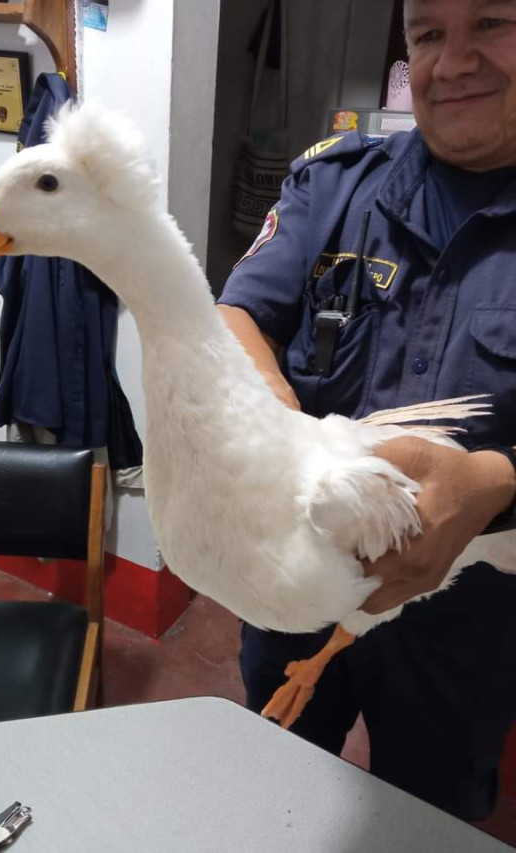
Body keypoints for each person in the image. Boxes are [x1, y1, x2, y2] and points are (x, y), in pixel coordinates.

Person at [217, 0, 516, 821]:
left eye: (492, 22)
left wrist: (493, 479)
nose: (452, 62)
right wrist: (278, 421)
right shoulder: (335, 184)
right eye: (427, 34)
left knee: (429, 817)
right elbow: (235, 317)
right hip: (299, 587)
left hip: (467, 622)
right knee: (270, 792)